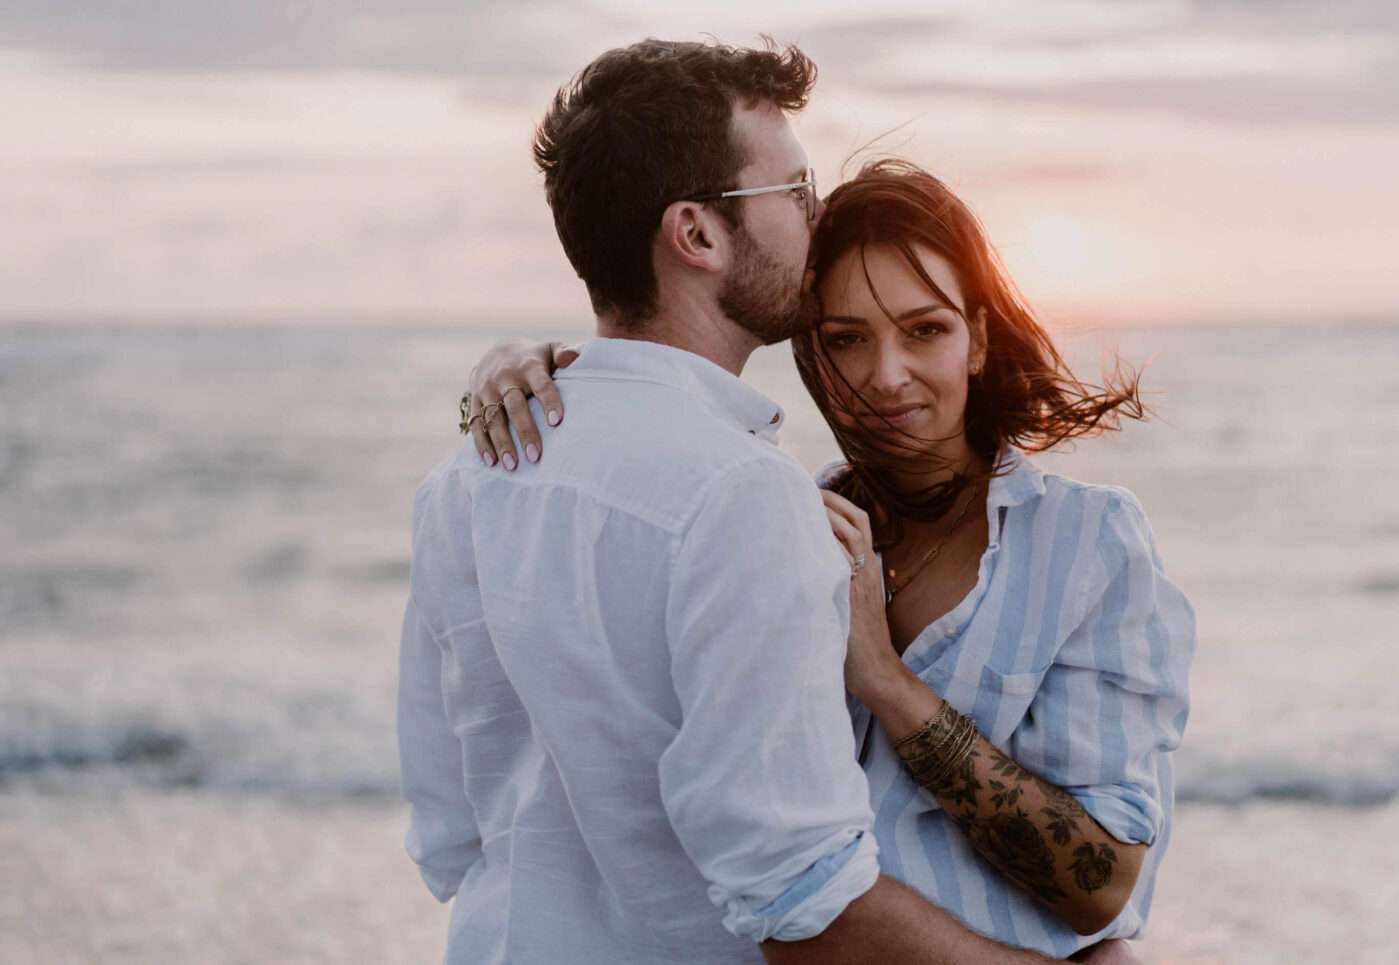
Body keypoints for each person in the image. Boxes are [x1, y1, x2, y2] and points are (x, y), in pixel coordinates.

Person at [399, 37, 1111, 964]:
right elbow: (802, 894)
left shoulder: (467, 478)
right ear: (697, 234)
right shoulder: (743, 496)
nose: (815, 219)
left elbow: (450, 832)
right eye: (794, 192)